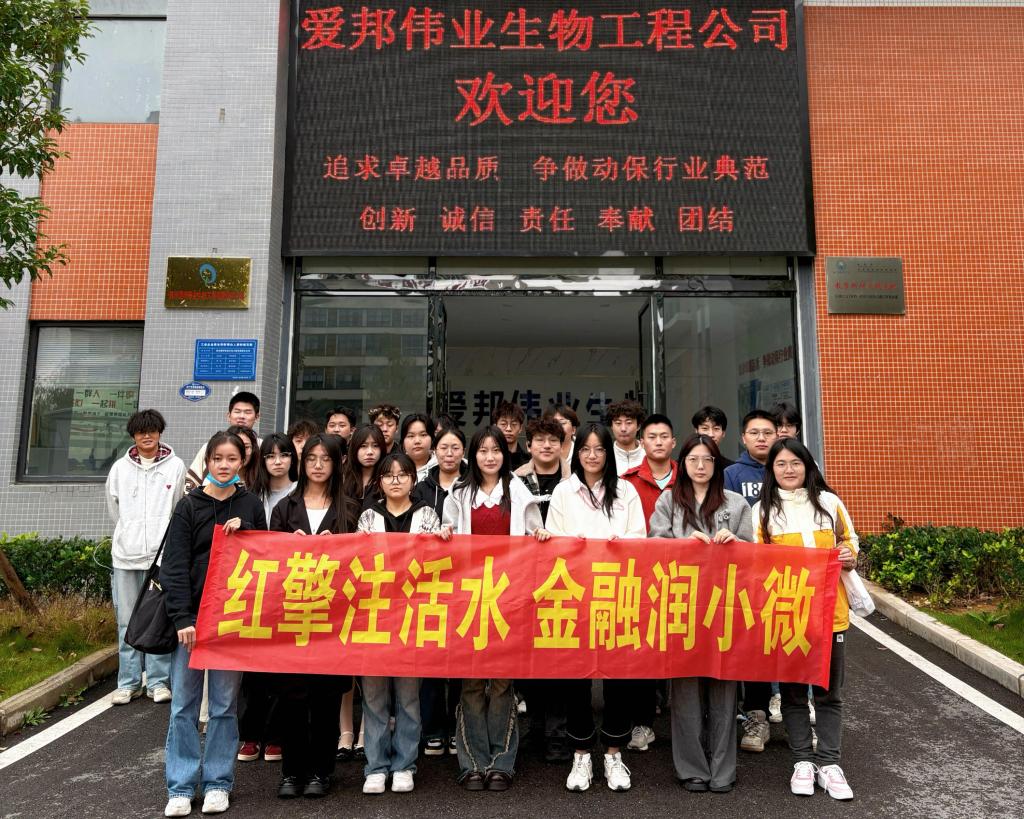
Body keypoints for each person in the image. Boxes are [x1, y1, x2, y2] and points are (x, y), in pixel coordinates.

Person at [161, 430, 267, 817]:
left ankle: (219, 782)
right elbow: (173, 567)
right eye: (217, 458)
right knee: (183, 707)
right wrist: (182, 618)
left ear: (243, 462)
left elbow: (266, 560)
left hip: (231, 623)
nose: (224, 465)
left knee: (223, 706)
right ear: (207, 462)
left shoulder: (251, 504)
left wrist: (247, 532)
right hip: (191, 624)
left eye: (231, 458)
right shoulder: (189, 506)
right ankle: (180, 786)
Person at [439, 426, 545, 791]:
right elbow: (446, 534)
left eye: (495, 450)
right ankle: (472, 762)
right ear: (473, 455)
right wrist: (444, 534)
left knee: (502, 682)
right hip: (469, 598)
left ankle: (502, 761)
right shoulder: (458, 492)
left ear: (505, 454)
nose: (489, 457)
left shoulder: (519, 492)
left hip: (509, 598)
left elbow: (535, 537)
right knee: (471, 681)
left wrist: (540, 536)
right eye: (482, 450)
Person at [541, 422, 645, 793]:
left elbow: (641, 538)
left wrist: (621, 543)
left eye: (599, 449)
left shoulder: (626, 491)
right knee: (576, 678)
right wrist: (570, 544)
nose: (592, 455)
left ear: (608, 453)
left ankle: (614, 753)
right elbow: (553, 540)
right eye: (585, 448)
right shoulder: (563, 491)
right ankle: (581, 753)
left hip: (617, 593)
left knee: (618, 678)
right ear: (576, 452)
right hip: (575, 595)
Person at [753, 438, 858, 801]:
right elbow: (757, 563)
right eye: (780, 464)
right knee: (794, 693)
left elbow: (850, 541)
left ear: (808, 465)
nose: (789, 469)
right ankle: (802, 761)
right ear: (771, 470)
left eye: (795, 462)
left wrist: (848, 554)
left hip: (832, 614)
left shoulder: (829, 503)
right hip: (789, 616)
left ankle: (829, 763)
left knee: (829, 693)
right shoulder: (763, 511)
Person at [648, 434, 752, 794]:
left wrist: (737, 544)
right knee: (686, 692)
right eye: (693, 459)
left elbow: (754, 556)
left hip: (724, 609)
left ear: (716, 463)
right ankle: (692, 767)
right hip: (682, 607)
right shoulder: (668, 501)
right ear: (683, 463)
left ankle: (723, 768)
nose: (701, 465)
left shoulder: (736, 504)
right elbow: (653, 546)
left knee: (724, 689)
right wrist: (682, 545)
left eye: (708, 459)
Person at [269, 434, 358, 800]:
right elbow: (268, 560)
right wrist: (289, 548)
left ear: (337, 464)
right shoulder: (284, 508)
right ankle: (292, 771)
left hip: (334, 617)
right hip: (293, 615)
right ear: (302, 463)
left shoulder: (350, 509)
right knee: (292, 697)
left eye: (326, 459)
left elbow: (364, 563)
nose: (318, 465)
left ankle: (322, 770)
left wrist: (337, 549)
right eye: (311, 458)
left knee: (326, 698)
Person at [355, 452, 441, 794]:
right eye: (389, 475)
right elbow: (357, 564)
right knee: (374, 697)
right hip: (374, 618)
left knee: (408, 697)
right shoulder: (368, 517)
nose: (395, 480)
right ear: (380, 481)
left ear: (412, 480)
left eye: (402, 474)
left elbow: (435, 563)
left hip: (412, 618)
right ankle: (376, 767)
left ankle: (404, 764)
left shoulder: (427, 515)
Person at [105, 409, 185, 707]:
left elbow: (179, 508)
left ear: (160, 432)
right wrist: (129, 533)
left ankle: (157, 682)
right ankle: (128, 683)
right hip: (126, 557)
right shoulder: (119, 469)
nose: (147, 436)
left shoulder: (175, 466)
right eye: (141, 432)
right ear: (133, 436)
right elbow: (114, 509)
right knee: (126, 621)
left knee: (157, 619)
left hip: (162, 558)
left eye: (152, 430)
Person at [618, 413, 678, 753]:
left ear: (673, 442)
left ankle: (685, 723)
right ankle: (642, 723)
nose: (658, 442)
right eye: (651, 437)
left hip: (681, 577)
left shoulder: (688, 477)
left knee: (679, 646)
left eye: (663, 436)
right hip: (638, 576)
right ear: (642, 443)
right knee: (640, 648)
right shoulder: (626, 482)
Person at [236, 434, 297, 764]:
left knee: (283, 667)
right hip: (257, 587)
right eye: (271, 455)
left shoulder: (301, 493)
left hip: (292, 587)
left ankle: (276, 735)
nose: (277, 461)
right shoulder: (249, 496)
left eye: (284, 454)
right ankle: (250, 734)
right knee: (253, 667)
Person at [513, 417, 571, 763]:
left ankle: (558, 734)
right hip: (526, 579)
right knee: (529, 657)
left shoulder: (574, 480)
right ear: (529, 445)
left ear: (563, 445)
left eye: (553, 440)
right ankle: (535, 728)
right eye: (539, 440)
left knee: (560, 658)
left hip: (567, 579)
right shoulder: (515, 481)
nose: (546, 446)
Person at [411, 425, 466, 757]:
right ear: (435, 451)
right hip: (429, 581)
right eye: (444, 447)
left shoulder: (472, 484)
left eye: (455, 447)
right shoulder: (420, 487)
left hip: (465, 579)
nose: (449, 453)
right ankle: (432, 729)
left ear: (463, 452)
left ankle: (458, 728)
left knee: (459, 657)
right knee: (431, 658)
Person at [184, 392, 260, 492]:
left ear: (257, 417)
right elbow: (192, 482)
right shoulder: (211, 446)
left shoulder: (262, 447)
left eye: (247, 412)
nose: (242, 416)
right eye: (237, 411)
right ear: (229, 416)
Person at [723, 410, 778, 507]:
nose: (761, 438)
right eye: (754, 433)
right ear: (744, 438)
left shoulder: (787, 470)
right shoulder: (730, 474)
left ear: (777, 437)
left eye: (768, 433)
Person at [340, 424, 386, 509]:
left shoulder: (387, 480)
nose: (370, 452)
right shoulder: (342, 478)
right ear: (354, 448)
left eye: (375, 446)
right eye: (363, 446)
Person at [607, 399, 646, 475]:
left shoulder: (649, 456)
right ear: (611, 426)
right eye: (618, 423)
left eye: (629, 423)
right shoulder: (604, 457)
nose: (623, 429)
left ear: (638, 426)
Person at [692, 405, 735, 470]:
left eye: (716, 428)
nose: (711, 434)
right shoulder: (681, 465)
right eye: (705, 428)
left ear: (723, 433)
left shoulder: (731, 469)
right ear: (696, 431)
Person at [491, 400, 529, 470]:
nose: (508, 429)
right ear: (495, 427)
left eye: (514, 424)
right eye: (503, 424)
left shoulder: (529, 462)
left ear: (520, 428)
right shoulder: (489, 460)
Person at [400, 412, 436, 480]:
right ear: (403, 442)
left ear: (432, 439)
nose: (417, 441)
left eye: (423, 435)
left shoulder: (442, 467)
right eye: (411, 436)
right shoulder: (394, 468)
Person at [226, 425, 260, 490]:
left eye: (246, 447)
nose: (242, 452)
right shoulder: (215, 479)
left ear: (253, 449)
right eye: (236, 447)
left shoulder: (263, 477)